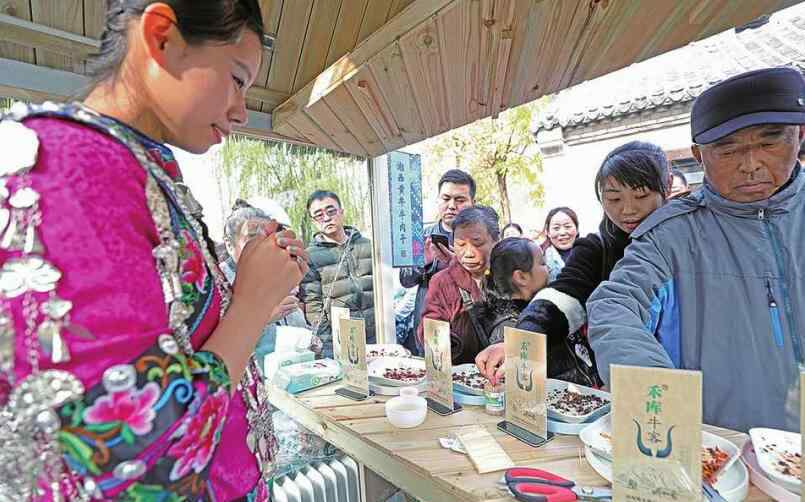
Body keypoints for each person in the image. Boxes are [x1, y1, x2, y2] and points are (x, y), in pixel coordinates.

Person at [0, 1, 309, 500]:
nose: (241, 110)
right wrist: (249, 307)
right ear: (162, 37)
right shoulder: (69, 169)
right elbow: (134, 457)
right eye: (236, 78)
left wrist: (256, 297)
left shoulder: (129, 165)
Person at [587, 67, 805, 432]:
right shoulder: (671, 233)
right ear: (699, 157)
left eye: (769, 142)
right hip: (724, 447)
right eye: (727, 149)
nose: (750, 165)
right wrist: (660, 398)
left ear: (799, 136)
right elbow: (615, 305)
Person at [476, 141, 670, 387]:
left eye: (641, 195)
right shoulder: (596, 248)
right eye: (614, 198)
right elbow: (563, 296)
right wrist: (520, 340)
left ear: (668, 185)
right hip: (626, 383)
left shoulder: (688, 240)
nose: (628, 209)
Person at [222, 198, 320, 361]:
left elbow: (293, 322)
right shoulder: (218, 285)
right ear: (229, 244)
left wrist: (307, 339)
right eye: (252, 237)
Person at [398, 169, 476, 354]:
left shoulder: (480, 238)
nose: (451, 206)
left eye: (460, 200)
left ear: (473, 203)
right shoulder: (422, 237)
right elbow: (405, 280)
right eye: (446, 198)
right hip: (429, 325)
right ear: (438, 200)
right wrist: (422, 264)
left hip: (468, 325)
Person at [418, 206, 500, 364]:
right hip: (460, 374)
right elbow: (429, 324)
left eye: (477, 243)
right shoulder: (442, 281)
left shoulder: (512, 276)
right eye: (461, 245)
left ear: (496, 241)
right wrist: (446, 342)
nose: (468, 253)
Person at [301, 190, 375, 358]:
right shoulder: (310, 257)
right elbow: (313, 304)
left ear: (341, 211)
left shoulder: (368, 245)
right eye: (318, 215)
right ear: (313, 221)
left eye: (331, 211)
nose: (326, 218)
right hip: (341, 339)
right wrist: (327, 343)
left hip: (375, 334)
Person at [483, 237, 550, 344]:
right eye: (542, 263)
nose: (549, 268)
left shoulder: (528, 315)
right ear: (521, 277)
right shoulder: (516, 330)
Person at [541, 207, 579, 281]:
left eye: (567, 227)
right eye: (556, 228)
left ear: (577, 229)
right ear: (548, 232)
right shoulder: (540, 258)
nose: (562, 233)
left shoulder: (589, 252)